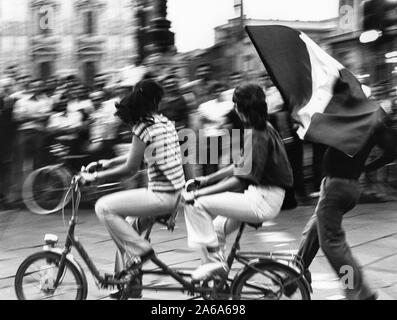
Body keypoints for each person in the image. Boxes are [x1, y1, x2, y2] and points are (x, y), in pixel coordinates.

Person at [80, 79, 186, 298]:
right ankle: (128, 288)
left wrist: (95, 177)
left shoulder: (143, 126)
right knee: (128, 228)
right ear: (156, 102)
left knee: (104, 208)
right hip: (176, 196)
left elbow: (130, 168)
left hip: (161, 196)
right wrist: (107, 163)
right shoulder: (164, 122)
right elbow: (136, 155)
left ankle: (141, 251)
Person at [182, 83, 293, 281]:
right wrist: (207, 179)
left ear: (243, 109)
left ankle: (216, 264)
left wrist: (199, 193)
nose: (234, 109)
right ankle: (217, 278)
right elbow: (239, 166)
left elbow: (239, 180)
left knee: (196, 205)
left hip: (262, 200)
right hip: (260, 196)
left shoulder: (258, 135)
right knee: (215, 230)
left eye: (236, 105)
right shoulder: (262, 127)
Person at [294, 95, 397, 300]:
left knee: (332, 244)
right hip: (345, 186)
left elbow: (310, 132)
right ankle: (297, 270)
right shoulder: (370, 123)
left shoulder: (347, 118)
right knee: (316, 229)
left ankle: (353, 289)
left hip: (337, 187)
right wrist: (367, 168)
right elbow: (392, 151)